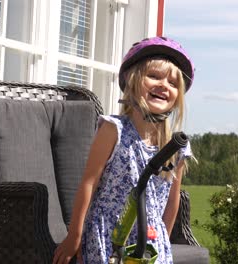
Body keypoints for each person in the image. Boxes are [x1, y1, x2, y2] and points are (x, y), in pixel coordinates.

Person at [53, 36, 195, 264]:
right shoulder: (113, 130)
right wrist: (74, 236)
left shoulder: (175, 146)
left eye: (172, 83)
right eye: (154, 76)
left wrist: (163, 241)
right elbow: (89, 184)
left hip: (150, 241)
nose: (163, 85)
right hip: (108, 235)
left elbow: (171, 201)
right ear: (132, 80)